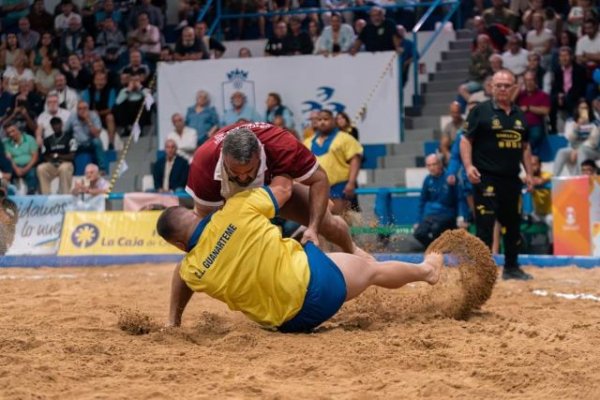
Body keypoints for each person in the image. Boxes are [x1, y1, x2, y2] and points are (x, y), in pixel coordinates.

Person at [157, 180, 443, 332]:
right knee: (371, 270)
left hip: (288, 325)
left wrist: (173, 321)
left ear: (181, 246)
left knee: (351, 260)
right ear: (193, 214)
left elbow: (180, 276)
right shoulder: (235, 208)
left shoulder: (193, 270)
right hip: (316, 285)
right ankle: (427, 271)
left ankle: (357, 256)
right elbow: (283, 186)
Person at [186, 121, 367, 257]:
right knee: (198, 247)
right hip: (229, 201)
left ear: (260, 154)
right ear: (223, 159)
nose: (243, 178)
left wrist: (312, 228)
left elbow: (320, 178)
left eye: (249, 171)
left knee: (328, 224)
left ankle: (354, 250)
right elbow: (204, 217)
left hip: (275, 188)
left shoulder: (282, 145)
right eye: (235, 173)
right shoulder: (204, 161)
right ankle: (174, 309)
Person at [460, 69, 534, 281]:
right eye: (498, 85)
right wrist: (468, 166)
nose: (502, 89)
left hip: (511, 180)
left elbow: (525, 147)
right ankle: (482, 272)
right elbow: (466, 140)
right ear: (492, 87)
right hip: (486, 179)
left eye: (507, 85)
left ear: (513, 88)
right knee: (485, 226)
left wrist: (528, 173)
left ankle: (511, 268)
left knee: (513, 225)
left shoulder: (520, 115)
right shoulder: (480, 111)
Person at [304, 110, 363, 215]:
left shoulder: (345, 138)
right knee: (320, 222)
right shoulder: (307, 142)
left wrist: (351, 183)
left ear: (333, 121)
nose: (322, 122)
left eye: (326, 119)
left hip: (340, 186)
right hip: (316, 187)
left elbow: (355, 160)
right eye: (319, 119)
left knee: (341, 220)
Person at [414, 154, 468, 248]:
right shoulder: (427, 180)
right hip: (431, 216)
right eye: (429, 165)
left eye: (434, 164)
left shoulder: (451, 178)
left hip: (447, 214)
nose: (431, 168)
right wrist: (418, 221)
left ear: (440, 164)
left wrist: (462, 216)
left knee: (436, 229)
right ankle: (434, 250)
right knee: (419, 233)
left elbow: (460, 199)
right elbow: (422, 202)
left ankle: (438, 251)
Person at [553, 100, 599, 176]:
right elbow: (569, 138)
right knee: (561, 152)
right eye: (581, 108)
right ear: (577, 109)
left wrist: (577, 150)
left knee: (582, 151)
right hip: (574, 148)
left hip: (593, 151)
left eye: (586, 108)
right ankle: (554, 179)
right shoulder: (570, 121)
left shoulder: (596, 123)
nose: (584, 110)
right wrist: (577, 127)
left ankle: (580, 178)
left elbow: (593, 142)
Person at [36, 117, 77, 194]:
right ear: (51, 127)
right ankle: (46, 196)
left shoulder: (70, 138)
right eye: (53, 125)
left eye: (57, 124)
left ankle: (65, 195)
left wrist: (58, 156)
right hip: (53, 164)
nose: (56, 126)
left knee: (64, 168)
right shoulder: (48, 140)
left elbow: (72, 156)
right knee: (41, 168)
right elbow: (44, 155)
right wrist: (51, 159)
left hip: (66, 163)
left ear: (61, 124)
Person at [2, 122, 39, 195]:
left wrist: (26, 168)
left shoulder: (29, 139)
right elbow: (9, 158)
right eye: (9, 133)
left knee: (32, 173)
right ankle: (12, 195)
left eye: (13, 131)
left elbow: (35, 157)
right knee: (8, 174)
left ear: (18, 130)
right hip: (14, 166)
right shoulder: (6, 143)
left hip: (29, 165)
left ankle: (31, 193)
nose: (11, 134)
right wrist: (16, 169)